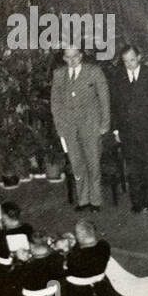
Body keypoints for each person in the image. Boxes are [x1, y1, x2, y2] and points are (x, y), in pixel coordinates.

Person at [50, 43, 111, 211]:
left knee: (93, 164)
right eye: (68, 57)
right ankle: (83, 200)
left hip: (91, 126)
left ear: (81, 55)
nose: (72, 60)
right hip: (69, 128)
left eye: (75, 56)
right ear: (63, 58)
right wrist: (60, 127)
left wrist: (104, 123)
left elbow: (104, 99)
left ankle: (95, 201)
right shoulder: (59, 74)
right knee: (77, 164)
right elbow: (55, 104)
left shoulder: (94, 71)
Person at [109, 44, 148, 213]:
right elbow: (115, 106)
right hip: (127, 131)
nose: (130, 64)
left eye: (132, 60)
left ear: (140, 57)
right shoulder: (118, 77)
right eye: (126, 61)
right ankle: (137, 202)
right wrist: (116, 130)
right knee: (133, 169)